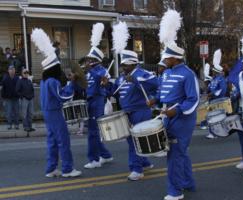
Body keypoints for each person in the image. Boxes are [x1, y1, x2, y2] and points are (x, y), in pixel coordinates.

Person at [148, 42, 199, 200]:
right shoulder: (167, 73)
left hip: (182, 118)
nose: (164, 61)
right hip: (167, 115)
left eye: (166, 58)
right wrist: (154, 100)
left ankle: (175, 192)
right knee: (180, 153)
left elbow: (193, 99)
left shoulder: (188, 74)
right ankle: (188, 182)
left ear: (173, 58)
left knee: (175, 155)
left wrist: (176, 110)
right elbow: (163, 94)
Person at [31, 28, 81, 178]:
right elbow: (63, 97)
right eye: (57, 67)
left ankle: (51, 169)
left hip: (48, 113)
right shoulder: (53, 81)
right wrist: (71, 83)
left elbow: (56, 94)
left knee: (52, 142)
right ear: (54, 68)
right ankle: (67, 169)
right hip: (54, 113)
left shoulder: (45, 81)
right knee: (63, 141)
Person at [107, 50, 158, 181]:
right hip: (127, 112)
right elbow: (114, 92)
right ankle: (144, 162)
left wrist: (135, 81)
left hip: (140, 111)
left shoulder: (143, 74)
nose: (123, 67)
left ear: (134, 64)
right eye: (123, 65)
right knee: (132, 140)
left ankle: (136, 169)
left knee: (135, 141)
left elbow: (156, 84)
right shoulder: (122, 76)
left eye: (126, 65)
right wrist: (106, 84)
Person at [82, 23, 113, 169]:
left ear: (95, 60)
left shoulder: (102, 71)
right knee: (93, 131)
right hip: (90, 101)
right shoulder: (89, 71)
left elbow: (103, 82)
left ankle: (94, 160)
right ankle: (106, 155)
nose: (87, 61)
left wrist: (90, 71)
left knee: (93, 132)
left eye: (89, 59)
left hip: (98, 101)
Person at [206, 49, 227, 139]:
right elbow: (209, 87)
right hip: (212, 100)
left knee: (216, 117)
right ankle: (213, 132)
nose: (212, 72)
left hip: (218, 100)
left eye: (213, 71)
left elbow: (222, 90)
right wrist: (207, 91)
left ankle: (216, 133)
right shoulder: (213, 79)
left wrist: (212, 94)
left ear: (217, 71)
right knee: (211, 116)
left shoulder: (221, 79)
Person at [16, 68, 35, 132]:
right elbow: (17, 91)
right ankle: (26, 127)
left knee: (31, 113)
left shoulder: (29, 81)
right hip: (24, 99)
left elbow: (32, 89)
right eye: (25, 72)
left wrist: (32, 96)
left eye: (27, 72)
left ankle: (30, 126)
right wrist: (22, 97)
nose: (26, 73)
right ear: (22, 74)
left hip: (30, 99)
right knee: (24, 114)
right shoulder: (20, 81)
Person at [1, 65, 20, 130]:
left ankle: (16, 124)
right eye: (11, 69)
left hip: (16, 98)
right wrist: (3, 99)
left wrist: (19, 96)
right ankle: (9, 124)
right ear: (8, 71)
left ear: (15, 71)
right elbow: (3, 90)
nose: (12, 70)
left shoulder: (17, 78)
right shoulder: (5, 78)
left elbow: (20, 88)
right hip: (8, 99)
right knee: (8, 113)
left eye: (13, 69)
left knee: (16, 112)